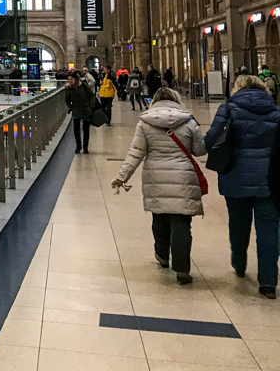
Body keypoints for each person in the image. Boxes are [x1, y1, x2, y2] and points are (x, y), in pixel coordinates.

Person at [111, 88, 206, 285]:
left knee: (160, 217)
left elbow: (136, 152)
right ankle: (182, 270)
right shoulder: (188, 121)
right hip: (182, 175)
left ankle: (162, 255)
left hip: (155, 176)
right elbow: (199, 150)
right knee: (181, 222)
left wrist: (122, 177)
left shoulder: (145, 122)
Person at [204, 75, 280, 298]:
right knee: (269, 229)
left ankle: (239, 263)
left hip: (235, 176)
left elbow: (211, 139)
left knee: (238, 224)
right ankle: (268, 282)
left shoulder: (228, 108)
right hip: (270, 179)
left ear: (237, 88)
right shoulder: (276, 111)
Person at [64, 70, 99, 154]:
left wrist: (90, 106)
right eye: (68, 79)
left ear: (75, 79)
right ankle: (78, 146)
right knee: (76, 129)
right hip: (76, 110)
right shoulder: (68, 88)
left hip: (86, 109)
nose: (70, 81)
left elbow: (91, 95)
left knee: (86, 129)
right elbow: (67, 100)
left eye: (71, 79)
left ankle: (85, 147)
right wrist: (71, 108)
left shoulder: (83, 85)